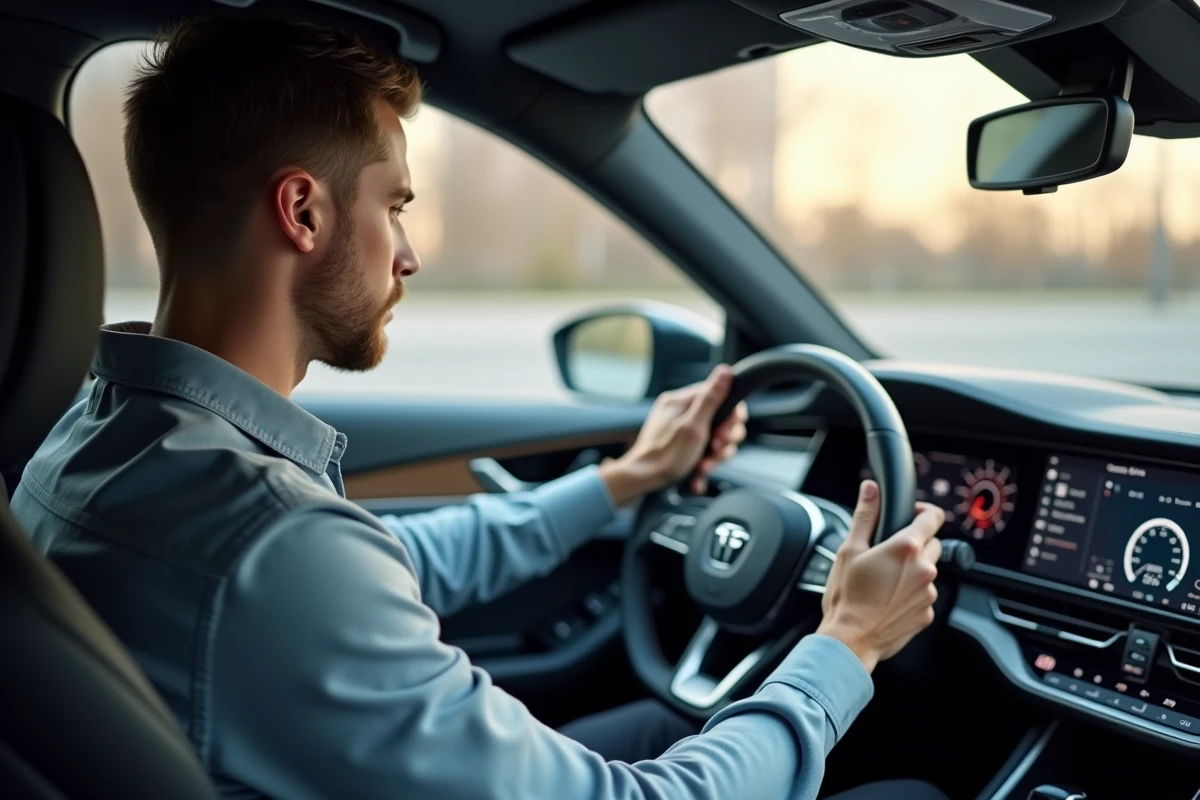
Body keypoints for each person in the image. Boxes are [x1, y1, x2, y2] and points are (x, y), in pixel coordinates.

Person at [11, 16, 950, 800]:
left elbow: (391, 561)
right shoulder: (271, 546)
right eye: (396, 206)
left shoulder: (95, 445)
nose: (408, 256)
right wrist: (846, 646)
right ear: (302, 212)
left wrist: (619, 485)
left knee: (673, 716)